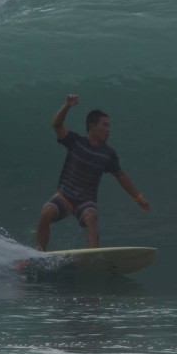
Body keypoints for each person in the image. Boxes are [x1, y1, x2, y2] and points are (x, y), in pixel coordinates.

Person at [36, 94, 150, 251]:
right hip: (64, 196)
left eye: (109, 126)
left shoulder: (108, 154)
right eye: (104, 125)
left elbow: (121, 175)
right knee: (46, 212)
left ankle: (92, 256)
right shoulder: (75, 141)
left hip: (86, 201)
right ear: (92, 126)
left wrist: (139, 197)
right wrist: (67, 105)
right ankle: (41, 253)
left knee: (91, 219)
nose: (108, 130)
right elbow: (56, 124)